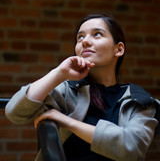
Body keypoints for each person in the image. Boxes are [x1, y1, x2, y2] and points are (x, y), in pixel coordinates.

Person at [5, 14, 160, 161]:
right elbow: (15, 112)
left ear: (118, 49)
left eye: (97, 34)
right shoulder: (67, 90)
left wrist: (66, 121)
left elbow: (131, 147)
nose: (85, 41)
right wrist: (59, 73)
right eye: (80, 37)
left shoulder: (139, 100)